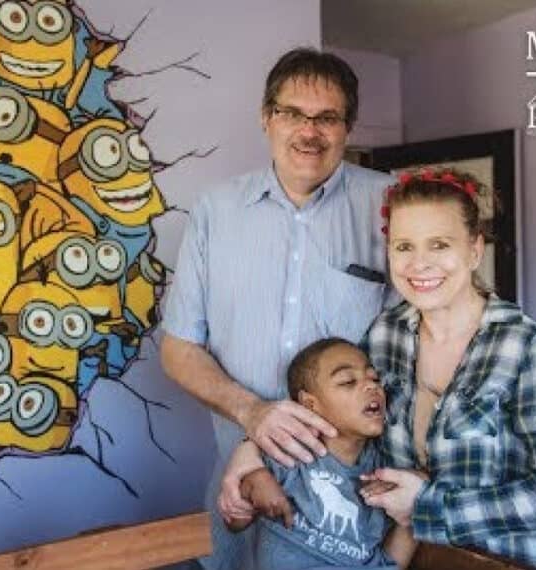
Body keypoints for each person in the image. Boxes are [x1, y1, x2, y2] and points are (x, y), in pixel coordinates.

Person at [222, 169, 536, 570]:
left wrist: (429, 506)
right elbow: (336, 417)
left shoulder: (534, 350)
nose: (419, 264)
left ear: (475, 250)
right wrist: (250, 451)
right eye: (404, 246)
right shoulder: (386, 335)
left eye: (439, 244)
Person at [160, 47, 393, 569]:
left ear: (347, 128)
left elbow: (420, 342)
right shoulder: (215, 211)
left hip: (354, 510)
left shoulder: (390, 206)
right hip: (237, 486)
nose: (309, 131)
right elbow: (177, 349)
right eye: (292, 113)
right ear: (267, 117)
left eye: (327, 117)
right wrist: (251, 414)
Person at [225, 337, 417, 569]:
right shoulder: (287, 453)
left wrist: (413, 504)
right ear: (310, 404)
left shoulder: (386, 467)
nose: (372, 386)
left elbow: (391, 559)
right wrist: (255, 484)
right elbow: (234, 522)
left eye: (374, 378)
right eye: (347, 381)